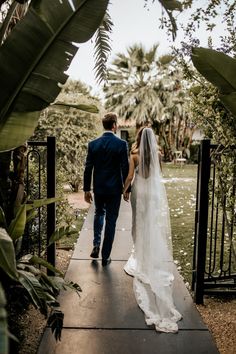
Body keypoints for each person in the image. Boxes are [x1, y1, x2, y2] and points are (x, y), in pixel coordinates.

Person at [123, 127, 182, 333]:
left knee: (137, 224)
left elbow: (130, 176)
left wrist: (125, 190)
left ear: (139, 138)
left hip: (140, 191)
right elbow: (159, 175)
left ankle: (140, 255)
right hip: (152, 193)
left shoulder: (134, 155)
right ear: (153, 139)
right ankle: (148, 254)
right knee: (150, 223)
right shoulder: (157, 154)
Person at [83, 112, 129, 266]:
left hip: (99, 188)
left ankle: (96, 244)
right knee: (111, 221)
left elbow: (88, 168)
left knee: (98, 213)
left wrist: (86, 189)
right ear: (114, 125)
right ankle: (105, 256)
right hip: (115, 190)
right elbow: (125, 168)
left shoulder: (93, 144)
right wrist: (127, 190)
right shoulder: (121, 144)